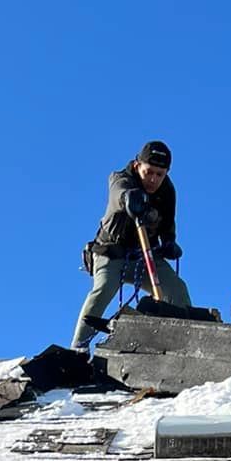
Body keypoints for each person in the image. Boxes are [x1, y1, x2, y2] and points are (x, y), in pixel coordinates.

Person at [71, 140, 193, 349]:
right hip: (111, 252)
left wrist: (169, 243)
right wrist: (129, 197)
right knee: (104, 288)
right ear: (138, 165)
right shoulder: (121, 179)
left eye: (159, 174)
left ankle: (188, 344)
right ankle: (78, 349)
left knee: (176, 289)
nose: (153, 179)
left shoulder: (167, 191)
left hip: (145, 256)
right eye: (149, 172)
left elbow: (168, 224)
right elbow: (119, 192)